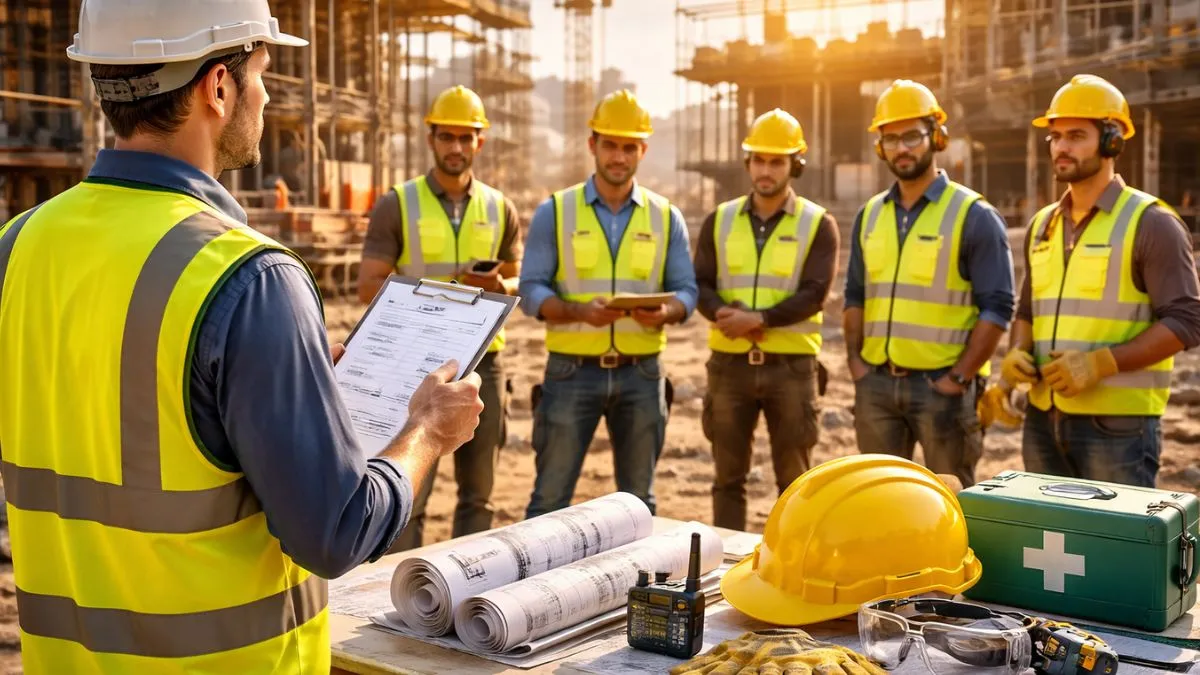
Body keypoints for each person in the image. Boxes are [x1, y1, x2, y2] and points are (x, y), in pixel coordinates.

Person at [0, 1, 483, 672]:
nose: (265, 91)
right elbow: (337, 529)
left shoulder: (19, 245)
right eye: (261, 71)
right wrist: (428, 427)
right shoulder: (247, 278)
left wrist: (281, 374)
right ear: (218, 87)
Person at [984, 74, 1200, 487]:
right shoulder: (1042, 225)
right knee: (1050, 543)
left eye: (1076, 135)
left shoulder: (1151, 223)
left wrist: (1102, 363)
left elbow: (1187, 321)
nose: (1061, 147)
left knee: (1116, 547)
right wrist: (1014, 358)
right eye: (1055, 136)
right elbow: (1028, 310)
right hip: (1042, 421)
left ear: (1112, 141)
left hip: (1117, 429)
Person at [518, 89, 698, 518]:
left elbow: (687, 291)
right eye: (611, 145)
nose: (619, 157)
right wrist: (580, 312)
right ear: (592, 145)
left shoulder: (665, 215)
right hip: (570, 373)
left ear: (643, 150)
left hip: (642, 375)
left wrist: (668, 311)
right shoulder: (555, 212)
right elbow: (530, 291)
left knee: (640, 504)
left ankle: (635, 587)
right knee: (549, 500)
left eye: (629, 147)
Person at [358, 85, 522, 550]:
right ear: (431, 138)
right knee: (407, 491)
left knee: (479, 496)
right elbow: (369, 285)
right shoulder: (397, 203)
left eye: (465, 137)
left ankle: (467, 584)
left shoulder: (500, 208)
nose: (456, 147)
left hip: (487, 365)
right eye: (446, 136)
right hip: (418, 368)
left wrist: (498, 288)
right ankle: (401, 588)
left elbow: (516, 283)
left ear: (479, 142)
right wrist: (456, 282)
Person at [843, 79, 1015, 489]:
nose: (901, 148)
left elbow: (998, 306)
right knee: (879, 500)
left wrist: (958, 378)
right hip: (877, 386)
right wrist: (857, 365)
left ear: (936, 137)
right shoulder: (869, 215)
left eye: (912, 136)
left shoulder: (974, 215)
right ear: (879, 146)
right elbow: (855, 295)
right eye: (890, 138)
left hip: (944, 390)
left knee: (952, 501)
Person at [692, 108, 838, 531]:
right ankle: (726, 566)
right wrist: (723, 316)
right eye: (759, 159)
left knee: (794, 484)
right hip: (728, 368)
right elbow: (699, 282)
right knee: (727, 480)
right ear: (748, 163)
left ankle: (787, 570)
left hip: (791, 369)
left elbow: (815, 293)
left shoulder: (818, 224)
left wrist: (758, 320)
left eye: (777, 161)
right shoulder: (719, 220)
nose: (766, 170)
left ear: (796, 164)